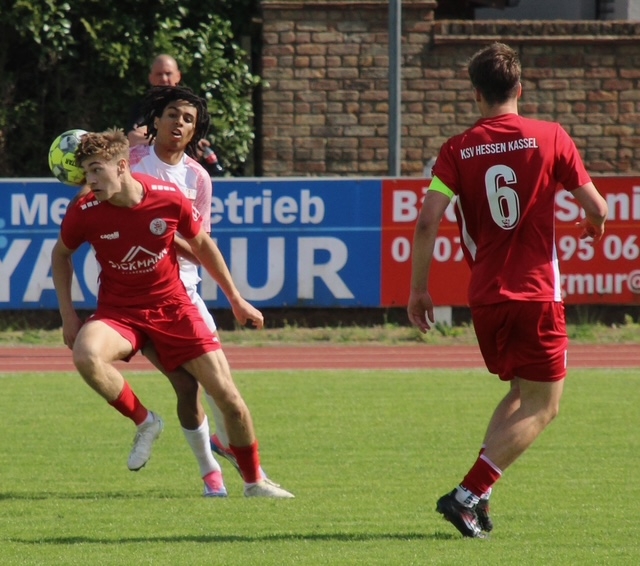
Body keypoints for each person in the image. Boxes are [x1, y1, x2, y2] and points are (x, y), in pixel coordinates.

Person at [407, 42, 608, 538]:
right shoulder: (550, 136)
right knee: (545, 405)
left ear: (476, 93)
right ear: (520, 88)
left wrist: (419, 291)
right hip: (536, 293)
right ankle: (466, 495)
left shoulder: (457, 149)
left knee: (520, 393)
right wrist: (595, 224)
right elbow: (597, 206)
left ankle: (480, 498)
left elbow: (428, 221)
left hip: (487, 297)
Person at [51, 128, 294, 498]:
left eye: (97, 170)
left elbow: (203, 246)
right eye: (86, 171)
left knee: (228, 398)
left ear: (122, 167)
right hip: (120, 313)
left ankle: (253, 482)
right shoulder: (85, 211)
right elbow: (61, 254)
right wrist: (68, 316)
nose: (90, 180)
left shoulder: (167, 197)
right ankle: (145, 421)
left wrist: (236, 299)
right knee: (86, 355)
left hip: (173, 309)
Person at [129, 84, 266, 484]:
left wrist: (163, 233)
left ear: (194, 132)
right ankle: (215, 461)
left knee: (212, 385)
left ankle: (225, 459)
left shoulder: (198, 178)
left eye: (188, 119)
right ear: (156, 120)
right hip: (131, 289)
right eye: (172, 114)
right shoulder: (131, 161)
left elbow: (199, 244)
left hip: (182, 291)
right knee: (190, 385)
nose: (178, 122)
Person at [127, 54, 225, 177]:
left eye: (168, 73)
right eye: (159, 74)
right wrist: (174, 141)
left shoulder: (193, 105)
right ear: (150, 78)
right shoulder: (143, 107)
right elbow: (134, 138)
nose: (164, 78)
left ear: (178, 75)